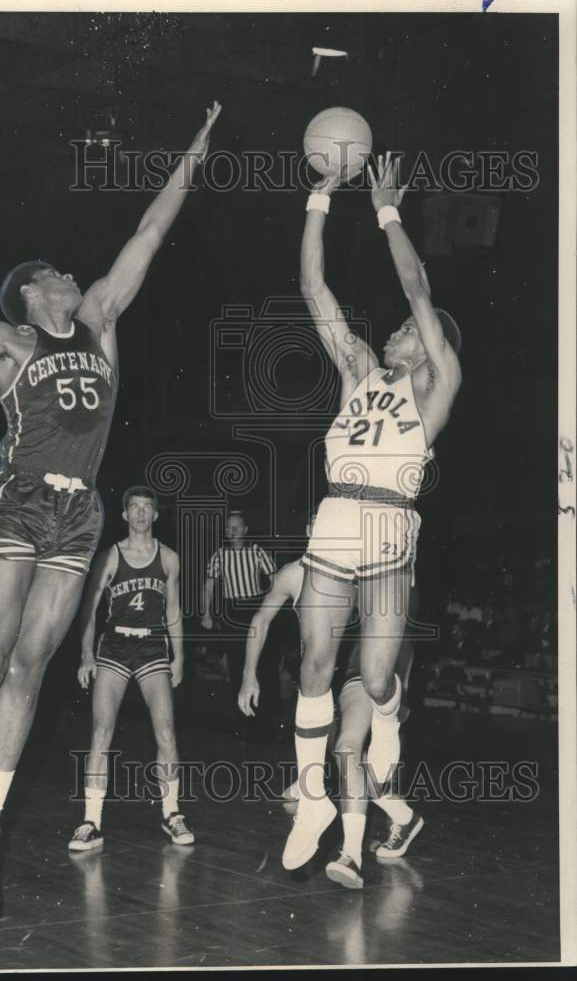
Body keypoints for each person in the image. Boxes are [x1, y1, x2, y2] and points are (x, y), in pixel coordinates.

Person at [0, 102, 221, 909]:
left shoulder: (99, 322)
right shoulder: (7, 338)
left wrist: (194, 153)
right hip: (19, 500)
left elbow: (147, 231)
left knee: (31, 670)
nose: (73, 274)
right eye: (57, 272)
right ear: (34, 291)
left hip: (80, 513)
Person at [284, 151, 462, 872]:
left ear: (432, 347)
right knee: (313, 665)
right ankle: (312, 798)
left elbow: (417, 287)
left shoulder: (435, 387)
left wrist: (386, 210)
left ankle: (385, 722)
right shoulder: (359, 370)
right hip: (335, 518)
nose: (395, 331)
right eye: (393, 328)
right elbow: (310, 287)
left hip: (390, 523)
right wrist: (318, 202)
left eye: (408, 330)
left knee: (379, 678)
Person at [237, 536, 423, 888]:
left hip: (360, 666)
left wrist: (399, 682)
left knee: (347, 750)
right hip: (322, 679)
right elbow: (261, 620)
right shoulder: (292, 575)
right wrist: (249, 675)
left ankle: (350, 854)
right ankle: (404, 816)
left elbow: (401, 622)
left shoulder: (367, 569)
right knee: (342, 770)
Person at [70, 486, 193, 851]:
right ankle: (91, 821)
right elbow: (90, 607)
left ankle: (172, 814)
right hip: (114, 646)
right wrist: (86, 655)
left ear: (155, 515)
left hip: (153, 647)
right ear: (125, 515)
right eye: (134, 507)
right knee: (101, 730)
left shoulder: (169, 558)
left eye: (147, 508)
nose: (141, 513)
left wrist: (180, 656)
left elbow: (173, 611)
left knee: (166, 730)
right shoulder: (111, 556)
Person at [200, 510, 277, 731]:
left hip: (254, 609)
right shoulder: (219, 555)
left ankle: (265, 716)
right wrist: (206, 613)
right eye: (228, 528)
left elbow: (275, 580)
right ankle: (243, 718)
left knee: (262, 662)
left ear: (245, 530)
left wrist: (274, 608)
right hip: (231, 612)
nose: (232, 532)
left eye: (236, 527)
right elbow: (208, 587)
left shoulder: (256, 552)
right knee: (235, 663)